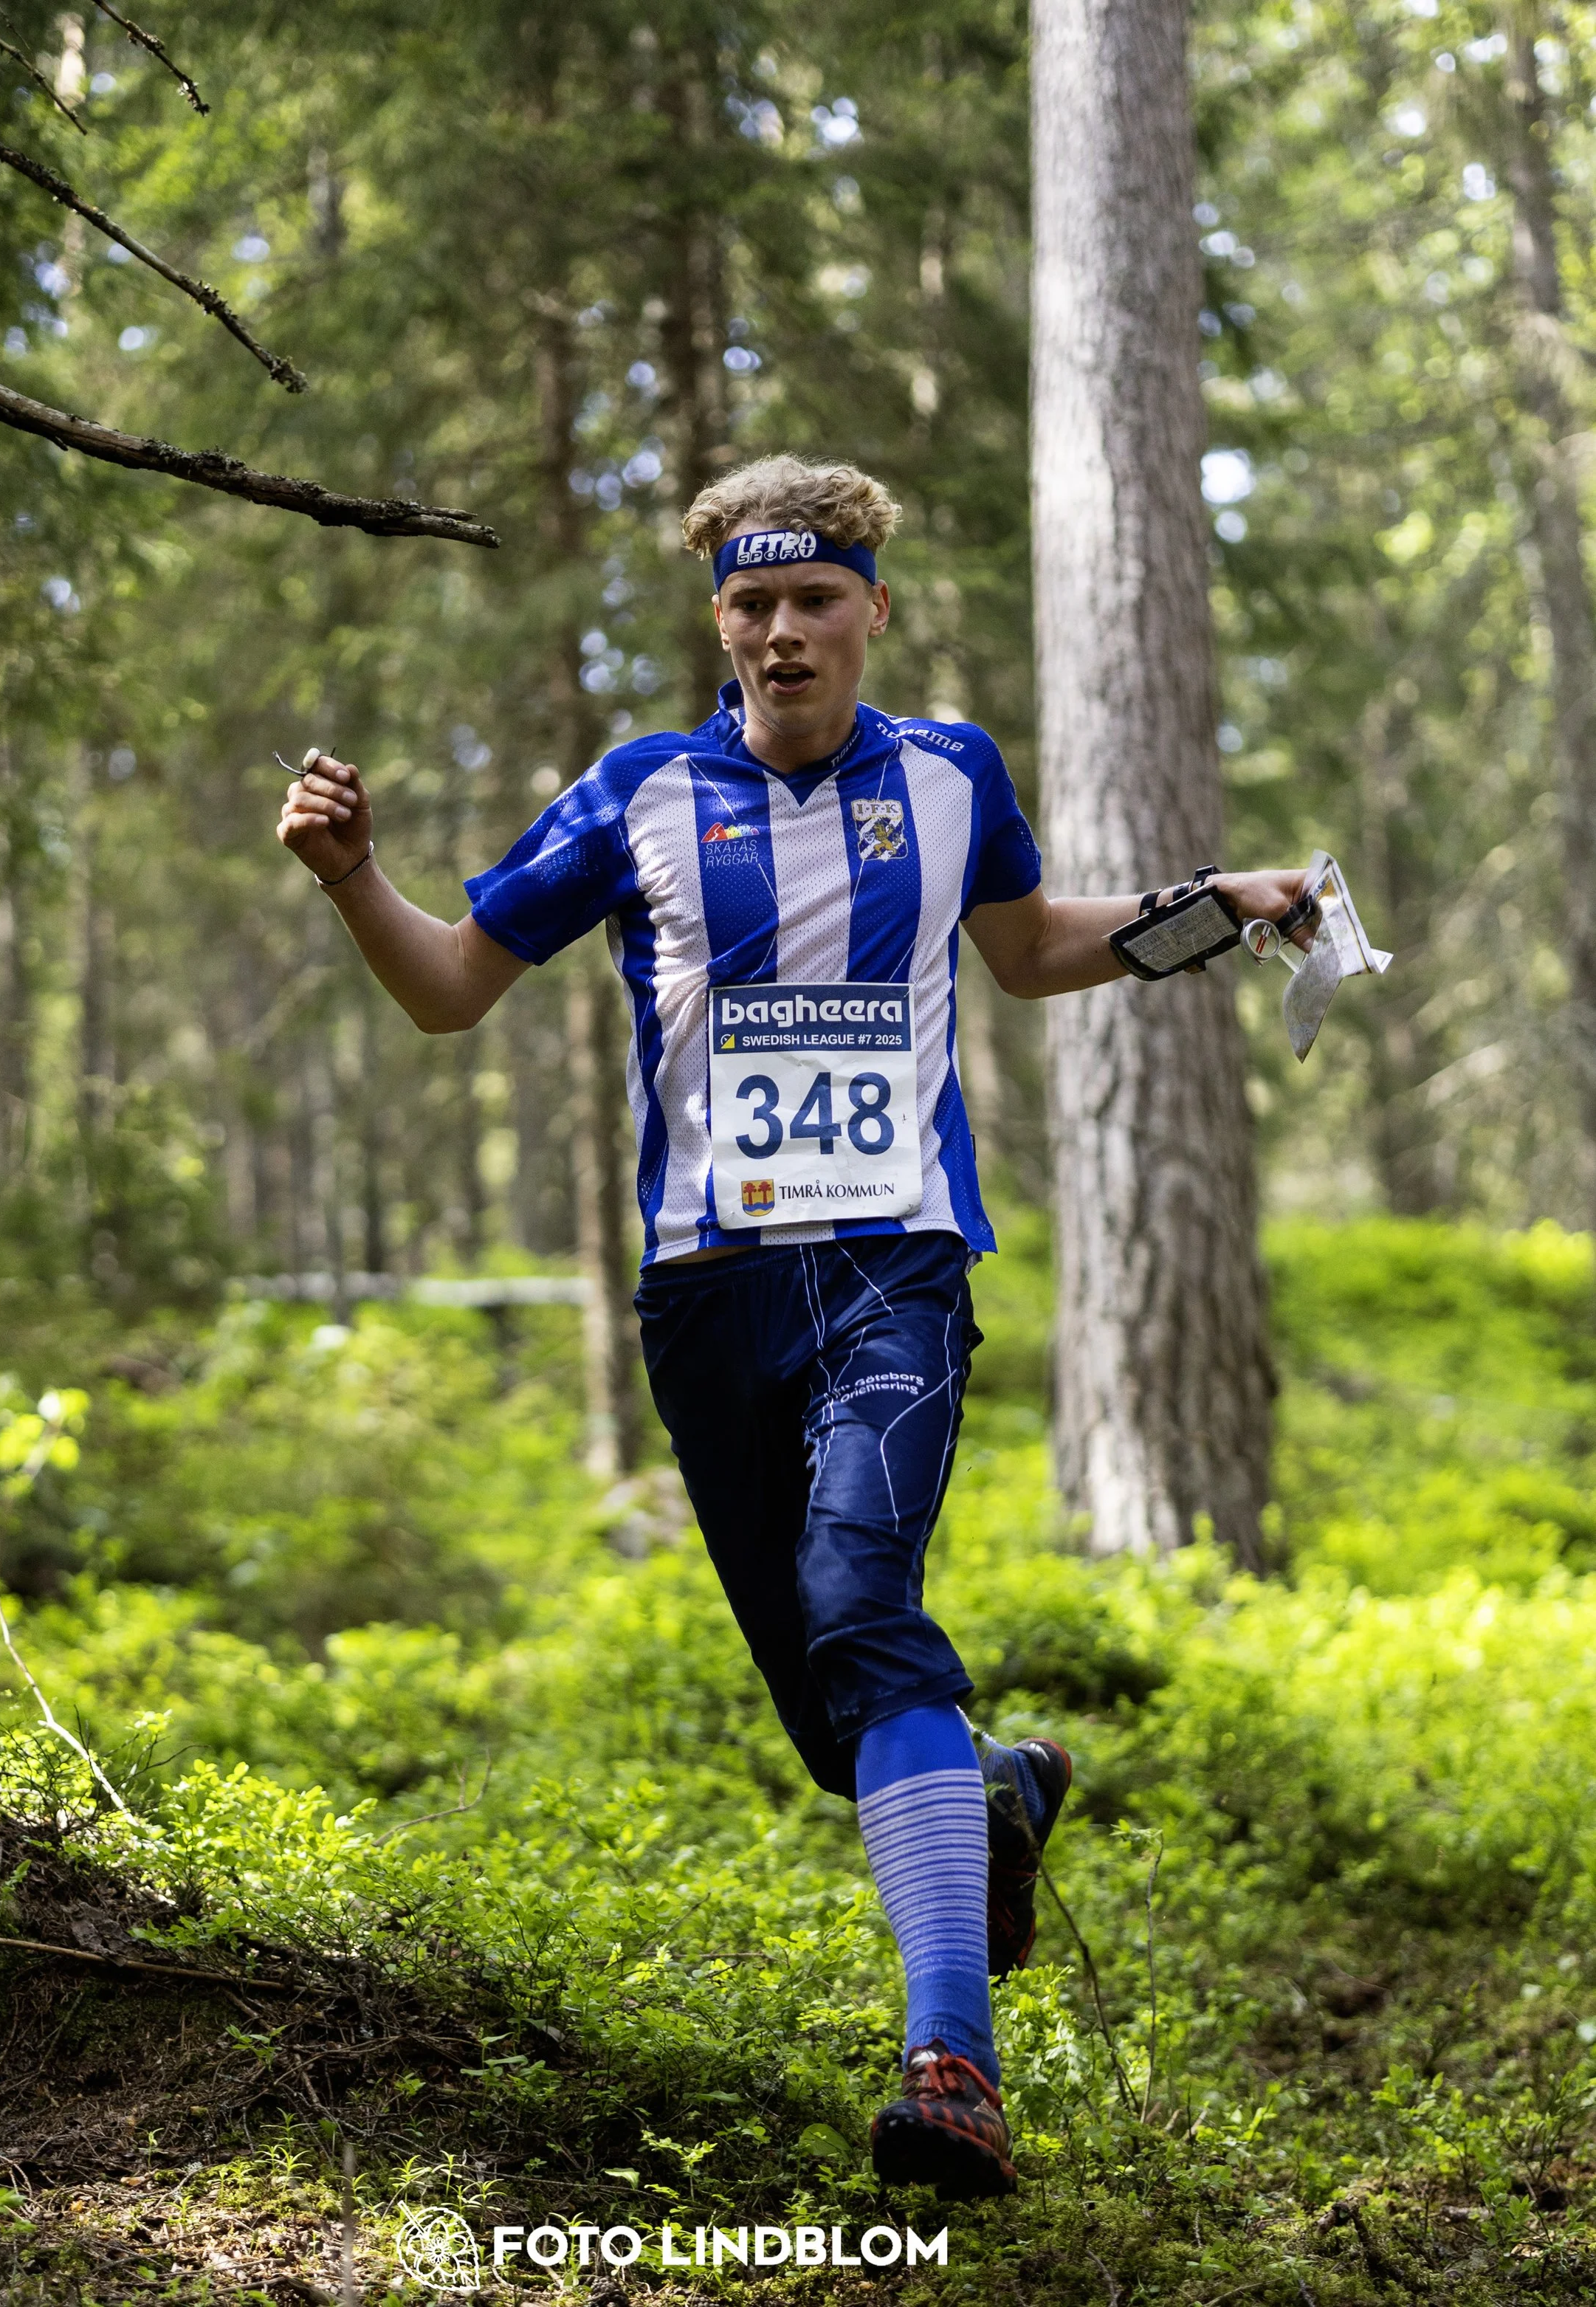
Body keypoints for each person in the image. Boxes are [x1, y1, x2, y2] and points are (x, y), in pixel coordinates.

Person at [275, 453, 1310, 2200]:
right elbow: (453, 987)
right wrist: (352, 878)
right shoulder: (633, 795)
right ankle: (986, 1784)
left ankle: (951, 2061)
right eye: (748, 605)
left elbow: (1032, 947)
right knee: (831, 1712)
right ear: (718, 624)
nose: (778, 632)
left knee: (860, 1601)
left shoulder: (951, 772)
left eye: (812, 600)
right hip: (706, 1294)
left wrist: (1218, 906)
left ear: (870, 611)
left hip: (893, 1267)